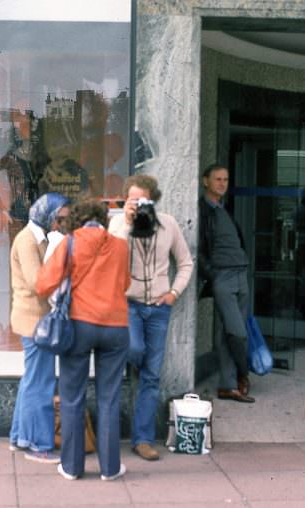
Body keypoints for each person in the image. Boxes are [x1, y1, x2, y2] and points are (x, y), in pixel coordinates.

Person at [36, 199, 130, 481]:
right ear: (103, 219)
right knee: (110, 397)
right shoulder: (120, 246)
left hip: (79, 325)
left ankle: (72, 467)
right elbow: (124, 284)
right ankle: (110, 468)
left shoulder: (70, 243)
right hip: (115, 327)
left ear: (77, 219)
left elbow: (43, 284)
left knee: (72, 397)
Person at [107, 174, 194, 461]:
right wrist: (128, 225)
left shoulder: (168, 224)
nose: (137, 204)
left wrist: (173, 292)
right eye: (132, 199)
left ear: (153, 200)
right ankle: (134, 364)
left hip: (159, 308)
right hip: (128, 304)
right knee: (135, 349)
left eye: (142, 200)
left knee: (152, 376)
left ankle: (142, 439)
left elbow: (185, 262)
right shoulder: (117, 225)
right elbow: (109, 259)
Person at [9, 192, 70, 464]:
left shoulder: (37, 237)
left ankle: (19, 437)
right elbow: (38, 283)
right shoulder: (27, 240)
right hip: (34, 320)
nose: (59, 225)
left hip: (34, 318)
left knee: (32, 380)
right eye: (58, 219)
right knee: (41, 383)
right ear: (46, 215)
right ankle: (38, 444)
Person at [198, 164, 254, 403]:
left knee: (225, 334)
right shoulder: (202, 210)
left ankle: (227, 385)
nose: (222, 183)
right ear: (206, 181)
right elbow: (198, 249)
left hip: (241, 274)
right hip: (222, 276)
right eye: (218, 179)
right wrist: (212, 275)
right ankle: (244, 372)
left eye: (226, 179)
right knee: (237, 333)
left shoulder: (223, 209)